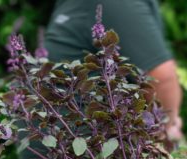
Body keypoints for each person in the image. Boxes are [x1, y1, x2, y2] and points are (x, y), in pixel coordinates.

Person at [44, 0, 183, 141]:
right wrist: (165, 130)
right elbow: (163, 79)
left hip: (68, 145)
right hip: (81, 152)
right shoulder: (117, 3)